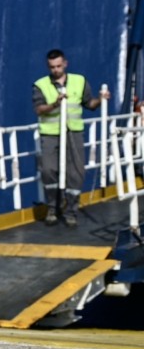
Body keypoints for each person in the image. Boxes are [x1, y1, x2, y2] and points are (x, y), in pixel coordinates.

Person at [32, 49, 107, 227]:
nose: (56, 70)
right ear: (48, 66)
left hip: (74, 133)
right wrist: (55, 104)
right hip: (50, 134)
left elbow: (89, 104)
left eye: (59, 66)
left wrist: (100, 100)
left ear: (65, 64)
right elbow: (39, 109)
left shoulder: (79, 81)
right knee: (48, 170)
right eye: (52, 67)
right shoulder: (40, 85)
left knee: (76, 173)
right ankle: (53, 207)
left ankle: (71, 211)